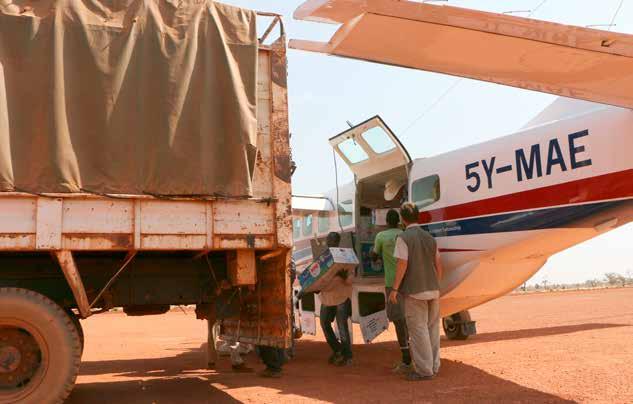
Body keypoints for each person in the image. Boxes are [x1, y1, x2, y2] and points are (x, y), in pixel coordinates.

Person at [389, 202, 443, 381]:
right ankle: (434, 366)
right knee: (432, 329)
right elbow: (438, 264)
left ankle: (424, 370)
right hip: (433, 289)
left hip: (414, 291)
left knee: (418, 330)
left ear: (402, 219)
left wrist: (395, 289)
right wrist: (437, 284)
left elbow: (402, 264)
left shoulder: (403, 238)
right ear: (418, 216)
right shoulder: (430, 238)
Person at [371, 209, 411, 373]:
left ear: (387, 221)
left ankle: (406, 358)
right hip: (408, 282)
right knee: (410, 318)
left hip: (391, 283)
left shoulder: (381, 236)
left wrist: (379, 256)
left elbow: (374, 256)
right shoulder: (404, 234)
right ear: (399, 221)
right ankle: (415, 353)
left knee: (398, 320)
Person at [319, 232, 353, 366]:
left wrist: (344, 276)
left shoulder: (345, 258)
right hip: (327, 297)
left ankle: (347, 355)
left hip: (341, 297)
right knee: (324, 323)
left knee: (342, 326)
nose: (329, 242)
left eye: (332, 240)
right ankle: (338, 350)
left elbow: (350, 279)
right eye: (329, 240)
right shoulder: (323, 258)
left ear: (337, 242)